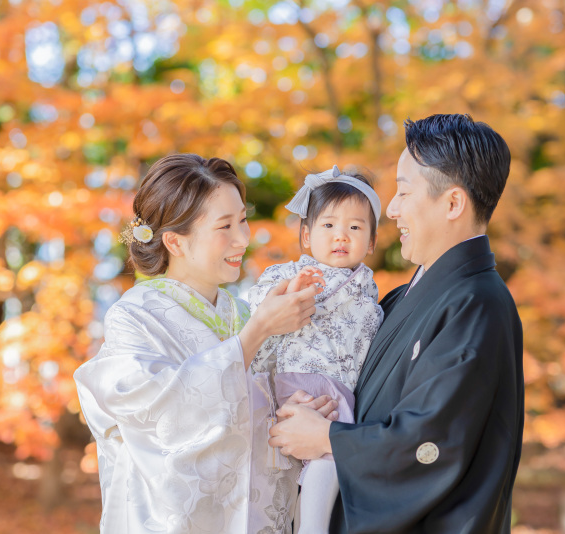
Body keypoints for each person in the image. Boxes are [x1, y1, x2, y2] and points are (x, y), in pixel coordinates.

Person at [268, 114, 525, 533]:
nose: (391, 209)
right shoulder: (405, 298)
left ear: (453, 203)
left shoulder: (477, 304)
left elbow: (431, 442)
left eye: (404, 192)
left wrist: (327, 438)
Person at [73, 153, 338, 534]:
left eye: (243, 220)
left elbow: (245, 422)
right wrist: (257, 332)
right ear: (175, 243)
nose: (243, 239)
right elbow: (163, 416)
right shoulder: (135, 316)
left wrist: (285, 411)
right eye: (225, 227)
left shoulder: (242, 313)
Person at [248, 165, 384, 533]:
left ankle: (312, 525)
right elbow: (258, 306)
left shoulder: (368, 292)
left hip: (341, 388)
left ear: (371, 242)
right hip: (299, 380)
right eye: (328, 226)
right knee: (321, 455)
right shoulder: (290, 274)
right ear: (306, 236)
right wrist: (295, 289)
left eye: (355, 227)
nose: (341, 236)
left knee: (332, 458)